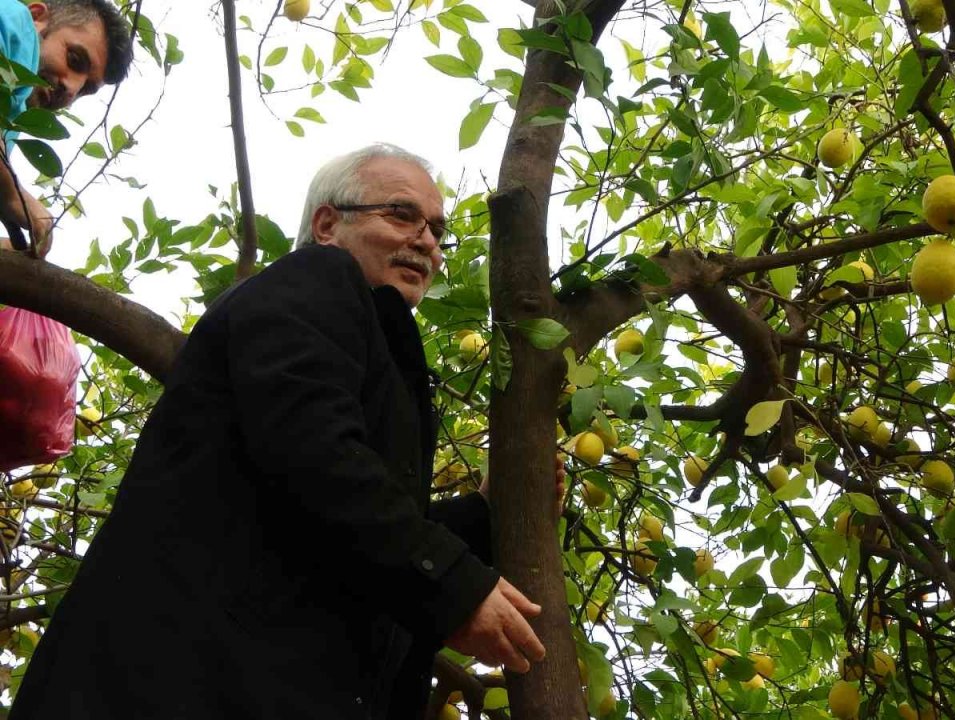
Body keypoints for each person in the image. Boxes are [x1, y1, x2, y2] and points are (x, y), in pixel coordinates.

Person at [11, 143, 558, 719]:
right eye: (401, 214)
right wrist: (451, 585)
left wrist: (483, 513)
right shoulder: (317, 278)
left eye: (437, 230)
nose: (427, 241)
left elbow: (317, 527)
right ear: (327, 223)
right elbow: (311, 451)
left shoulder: (366, 347)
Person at [0, 0, 133, 256]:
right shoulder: (17, 22)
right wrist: (11, 193)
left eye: (85, 89)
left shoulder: (11, 123)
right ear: (37, 18)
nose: (71, 89)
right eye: (74, 59)